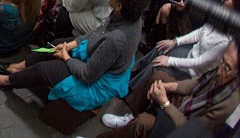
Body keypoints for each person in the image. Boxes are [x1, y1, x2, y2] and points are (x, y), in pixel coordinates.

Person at [0, 0, 148, 112]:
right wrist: (73, 44)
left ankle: (7, 81)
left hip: (94, 82)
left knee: (42, 69)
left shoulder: (116, 40)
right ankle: (18, 67)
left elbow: (88, 75)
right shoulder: (128, 16)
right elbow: (98, 32)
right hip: (97, 57)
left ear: (119, 5)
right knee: (55, 43)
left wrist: (66, 58)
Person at [98, 41, 239, 137]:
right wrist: (168, 86)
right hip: (188, 104)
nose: (220, 70)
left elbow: (192, 131)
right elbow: (197, 83)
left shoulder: (229, 103)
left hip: (187, 126)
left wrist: (165, 103)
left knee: (144, 123)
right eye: (222, 61)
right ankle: (130, 121)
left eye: (227, 68)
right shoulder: (224, 65)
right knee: (158, 77)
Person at [135, 0, 237, 87]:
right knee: (165, 11)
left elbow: (201, 26)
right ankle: (147, 51)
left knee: (166, 8)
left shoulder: (219, 1)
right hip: (192, 22)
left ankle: (138, 79)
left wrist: (172, 55)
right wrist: (184, 8)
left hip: (193, 30)